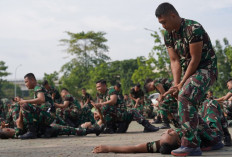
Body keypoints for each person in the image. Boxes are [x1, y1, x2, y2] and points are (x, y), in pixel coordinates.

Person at [155, 2, 218, 156]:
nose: (163, 26)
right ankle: (212, 139)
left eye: (164, 22)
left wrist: (182, 85)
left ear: (173, 15)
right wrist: (176, 85)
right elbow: (175, 61)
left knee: (185, 94)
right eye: (160, 23)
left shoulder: (193, 28)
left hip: (205, 70)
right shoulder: (168, 35)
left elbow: (195, 59)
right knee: (169, 101)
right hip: (189, 74)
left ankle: (190, 145)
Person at [92, 79, 159, 133]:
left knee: (133, 110)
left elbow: (113, 101)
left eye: (99, 86)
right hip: (116, 122)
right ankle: (109, 128)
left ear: (104, 86)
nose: (98, 88)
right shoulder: (102, 96)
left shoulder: (110, 90)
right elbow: (102, 117)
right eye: (97, 87)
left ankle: (148, 126)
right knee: (102, 110)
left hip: (122, 114)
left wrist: (101, 105)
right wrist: (98, 110)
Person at [16, 73, 56, 139]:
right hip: (47, 115)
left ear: (32, 80)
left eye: (26, 82)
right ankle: (46, 130)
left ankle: (31, 132)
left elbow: (41, 99)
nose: (25, 84)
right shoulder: (37, 89)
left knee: (25, 105)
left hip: (48, 116)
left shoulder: (38, 87)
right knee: (26, 115)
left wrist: (25, 101)